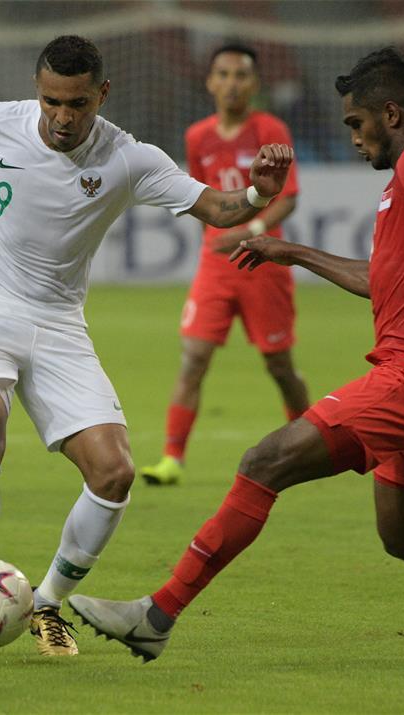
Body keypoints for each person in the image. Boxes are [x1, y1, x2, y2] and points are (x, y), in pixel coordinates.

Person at [68, 47, 404, 663]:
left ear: (391, 114)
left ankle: (158, 613)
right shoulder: (403, 184)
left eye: (355, 125)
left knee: (264, 461)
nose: (353, 139)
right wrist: (295, 252)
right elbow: (379, 280)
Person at [0, 35, 293, 658]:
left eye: (77, 104)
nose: (62, 117)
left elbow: (217, 208)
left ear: (102, 94)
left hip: (60, 322)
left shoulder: (128, 157)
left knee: (115, 471)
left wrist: (257, 194)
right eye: (51, 102)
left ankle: (43, 604)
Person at [140, 43, 309, 486]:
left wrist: (251, 229)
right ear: (210, 81)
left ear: (254, 83)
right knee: (193, 357)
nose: (232, 83)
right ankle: (171, 458)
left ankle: (315, 444)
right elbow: (200, 198)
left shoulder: (270, 128)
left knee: (279, 365)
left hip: (263, 264)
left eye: (241, 75)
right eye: (224, 74)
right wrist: (215, 241)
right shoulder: (197, 136)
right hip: (216, 265)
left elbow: (287, 197)